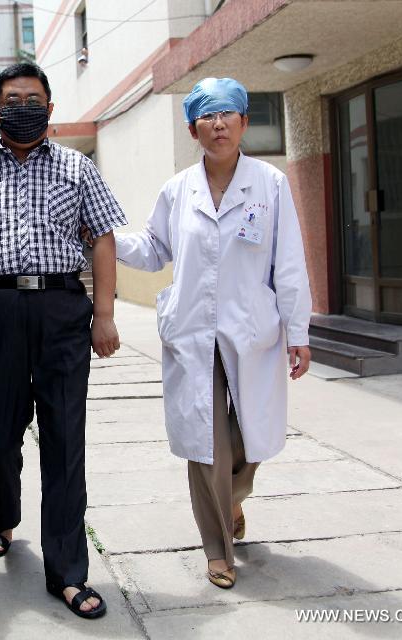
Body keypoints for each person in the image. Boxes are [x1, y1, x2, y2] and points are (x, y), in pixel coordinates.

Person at [0, 62, 127, 619]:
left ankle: (67, 572)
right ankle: (5, 514)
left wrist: (104, 314)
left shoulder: (77, 168)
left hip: (63, 308)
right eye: (13, 99)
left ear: (49, 108)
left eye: (34, 98)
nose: (24, 105)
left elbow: (104, 239)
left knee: (65, 439)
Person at [114, 78, 312, 589]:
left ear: (245, 122)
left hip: (254, 332)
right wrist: (105, 238)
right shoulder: (178, 190)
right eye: (208, 116)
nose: (218, 124)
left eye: (228, 114)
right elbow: (154, 248)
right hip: (193, 332)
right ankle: (217, 547)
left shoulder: (269, 184)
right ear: (192, 128)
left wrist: (299, 331)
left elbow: (288, 261)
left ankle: (235, 497)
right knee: (207, 445)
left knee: (251, 439)